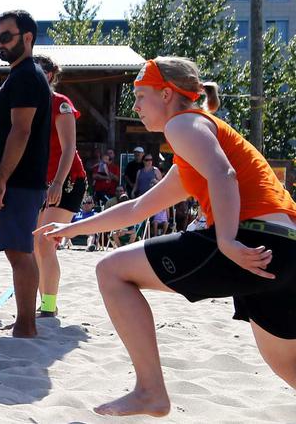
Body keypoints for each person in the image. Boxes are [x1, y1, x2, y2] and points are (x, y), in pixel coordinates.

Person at [37, 57, 296, 417]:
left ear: (166, 93)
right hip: (286, 252)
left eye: (141, 96)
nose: (136, 106)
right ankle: (149, 392)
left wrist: (226, 241)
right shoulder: (195, 139)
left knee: (111, 272)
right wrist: (72, 227)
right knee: (289, 367)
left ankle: (150, 391)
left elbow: (225, 174)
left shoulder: (183, 124)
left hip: (251, 240)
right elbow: (136, 208)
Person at [0, 10, 52, 338]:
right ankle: (26, 320)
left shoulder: (26, 75)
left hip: (19, 182)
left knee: (19, 253)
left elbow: (21, 131)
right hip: (22, 181)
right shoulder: (24, 74)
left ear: (28, 38)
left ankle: (27, 325)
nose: (0, 43)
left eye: (6, 36)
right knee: (21, 252)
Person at [31, 54, 88, 318]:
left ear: (50, 75)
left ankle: (49, 308)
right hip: (42, 184)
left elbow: (69, 149)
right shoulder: (29, 107)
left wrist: (57, 183)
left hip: (68, 182)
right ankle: (46, 305)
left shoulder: (60, 103)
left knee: (45, 242)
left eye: (38, 71)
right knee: (36, 245)